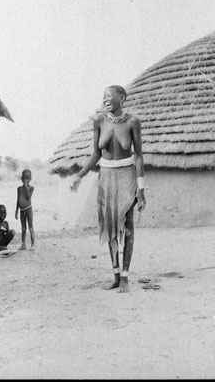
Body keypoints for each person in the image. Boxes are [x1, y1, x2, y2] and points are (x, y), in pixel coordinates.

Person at [70, 85, 146, 293]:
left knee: (127, 227)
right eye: (103, 96)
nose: (105, 99)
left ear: (122, 98)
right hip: (106, 178)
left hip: (126, 176)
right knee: (110, 227)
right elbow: (95, 154)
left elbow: (138, 155)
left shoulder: (133, 122)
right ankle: (115, 275)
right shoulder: (98, 122)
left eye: (109, 95)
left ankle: (125, 277)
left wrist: (141, 187)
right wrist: (80, 175)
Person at [15, 169, 35, 251]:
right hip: (21, 210)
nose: (25, 180)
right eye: (24, 178)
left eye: (27, 178)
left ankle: (33, 244)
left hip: (28, 209)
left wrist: (26, 187)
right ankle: (23, 244)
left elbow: (28, 197)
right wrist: (16, 211)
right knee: (23, 228)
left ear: (30, 179)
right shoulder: (19, 188)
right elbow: (18, 199)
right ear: (21, 178)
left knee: (30, 226)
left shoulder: (31, 188)